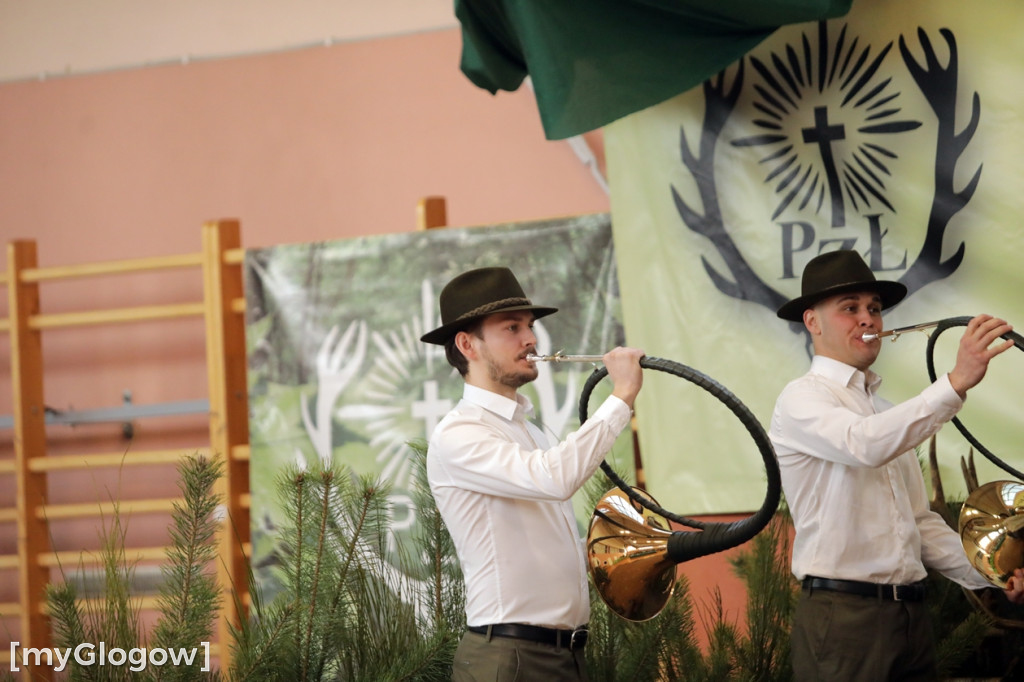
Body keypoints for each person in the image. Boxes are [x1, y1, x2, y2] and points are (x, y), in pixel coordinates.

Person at [770, 249, 1024, 682]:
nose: (868, 319)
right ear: (812, 322)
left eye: (873, 308)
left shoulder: (883, 411)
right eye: (850, 309)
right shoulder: (801, 398)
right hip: (843, 619)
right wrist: (955, 382)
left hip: (909, 617)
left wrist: (994, 573)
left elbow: (919, 525)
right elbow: (863, 444)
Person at [420, 266, 644, 682]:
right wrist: (621, 397)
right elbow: (554, 479)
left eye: (529, 326)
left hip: (562, 656)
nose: (530, 339)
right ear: (467, 344)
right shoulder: (459, 433)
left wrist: (630, 551)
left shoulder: (532, 431)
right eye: (511, 327)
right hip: (509, 659)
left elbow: (544, 545)